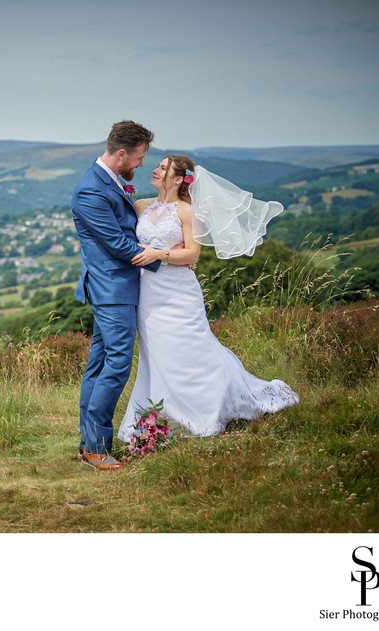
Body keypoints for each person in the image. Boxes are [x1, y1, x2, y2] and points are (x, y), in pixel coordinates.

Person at [119, 154, 299, 442]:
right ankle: (164, 415)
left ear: (178, 179)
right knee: (159, 353)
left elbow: (192, 254)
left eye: (163, 168)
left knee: (193, 348)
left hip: (178, 292)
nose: (155, 169)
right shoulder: (141, 206)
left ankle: (209, 406)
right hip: (148, 293)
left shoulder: (187, 211)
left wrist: (160, 254)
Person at [71, 120, 159, 471]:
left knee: (100, 363)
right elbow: (118, 244)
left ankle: (89, 443)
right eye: (138, 158)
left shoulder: (108, 182)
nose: (140, 165)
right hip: (112, 288)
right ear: (121, 153)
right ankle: (95, 448)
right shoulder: (90, 191)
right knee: (118, 363)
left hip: (115, 286)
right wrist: (163, 259)